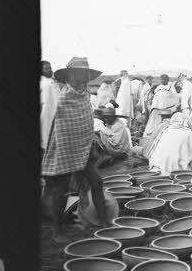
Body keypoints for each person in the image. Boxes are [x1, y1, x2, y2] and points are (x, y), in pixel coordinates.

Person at [42, 57, 110, 242]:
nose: (82, 78)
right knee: (61, 189)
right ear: (70, 76)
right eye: (78, 74)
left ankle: (105, 223)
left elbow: (86, 125)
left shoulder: (85, 96)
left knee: (97, 182)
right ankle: (57, 231)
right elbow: (57, 128)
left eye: (84, 74)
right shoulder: (62, 97)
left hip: (83, 150)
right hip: (64, 150)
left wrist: (90, 145)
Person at [148, 112, 192, 176]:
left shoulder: (166, 131)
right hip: (176, 168)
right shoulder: (189, 134)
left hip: (158, 165)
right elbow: (190, 153)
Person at [91, 106, 131, 171]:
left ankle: (104, 158)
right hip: (114, 152)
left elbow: (114, 141)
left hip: (120, 153)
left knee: (97, 136)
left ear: (113, 117)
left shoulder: (118, 125)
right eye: (104, 117)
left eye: (108, 117)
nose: (106, 119)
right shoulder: (110, 123)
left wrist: (100, 132)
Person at [39, 61, 61, 152]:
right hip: (46, 114)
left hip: (55, 114)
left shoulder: (52, 82)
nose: (50, 70)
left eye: (50, 68)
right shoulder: (44, 83)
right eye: (46, 68)